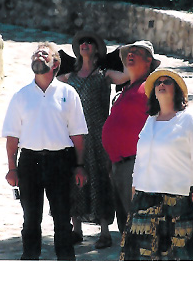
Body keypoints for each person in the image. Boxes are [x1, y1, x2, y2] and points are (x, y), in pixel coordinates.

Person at [2, 42, 88, 260]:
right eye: (36, 54)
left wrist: (79, 166)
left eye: (44, 53)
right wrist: (12, 169)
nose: (38, 56)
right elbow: (12, 138)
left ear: (55, 63)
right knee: (31, 219)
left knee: (62, 220)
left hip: (61, 162)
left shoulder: (68, 94)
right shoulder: (21, 96)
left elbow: (78, 136)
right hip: (29, 163)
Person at [120, 69, 193, 260]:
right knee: (141, 257)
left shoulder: (189, 120)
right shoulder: (150, 121)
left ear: (176, 91)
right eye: (158, 82)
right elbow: (141, 157)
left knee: (176, 257)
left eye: (167, 82)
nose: (161, 85)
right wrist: (135, 186)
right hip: (145, 197)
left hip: (177, 199)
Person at [58, 33, 115, 248]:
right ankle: (76, 229)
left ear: (97, 49)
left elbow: (127, 76)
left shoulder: (104, 75)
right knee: (74, 179)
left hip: (99, 134)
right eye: (82, 42)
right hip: (74, 134)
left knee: (100, 178)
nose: (85, 44)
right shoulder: (68, 77)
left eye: (89, 42)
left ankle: (105, 232)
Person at [101, 40, 160, 232]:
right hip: (119, 165)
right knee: (127, 227)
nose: (130, 55)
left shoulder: (152, 88)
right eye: (128, 53)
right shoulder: (126, 89)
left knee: (140, 226)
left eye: (136, 52)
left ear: (148, 60)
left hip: (137, 166)